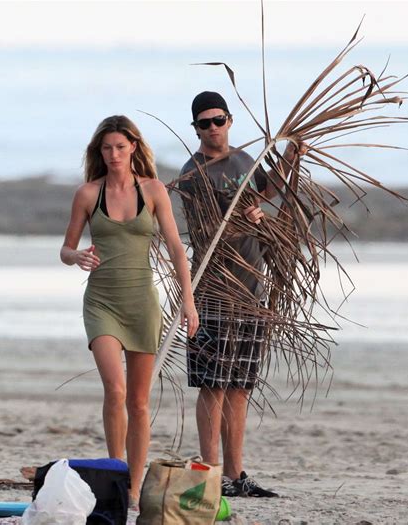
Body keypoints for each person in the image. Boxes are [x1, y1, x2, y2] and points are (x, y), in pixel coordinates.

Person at [60, 115, 199, 506]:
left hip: (141, 303)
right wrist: (77, 256)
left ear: (133, 147)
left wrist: (187, 301)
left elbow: (175, 247)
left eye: (120, 147)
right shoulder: (88, 194)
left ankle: (134, 488)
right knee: (114, 389)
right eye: (107, 148)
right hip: (101, 302)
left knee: (138, 402)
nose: (114, 154)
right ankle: (116, 475)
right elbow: (65, 249)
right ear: (99, 152)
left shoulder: (153, 190)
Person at [179, 91, 305, 498]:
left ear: (230, 120)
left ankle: (236, 475)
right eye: (204, 123)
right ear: (196, 128)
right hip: (214, 289)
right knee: (212, 384)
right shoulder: (193, 173)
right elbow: (204, 233)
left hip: (252, 287)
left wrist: (291, 150)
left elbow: (265, 192)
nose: (213, 128)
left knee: (240, 385)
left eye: (219, 120)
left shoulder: (245, 161)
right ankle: (209, 471)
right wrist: (241, 214)